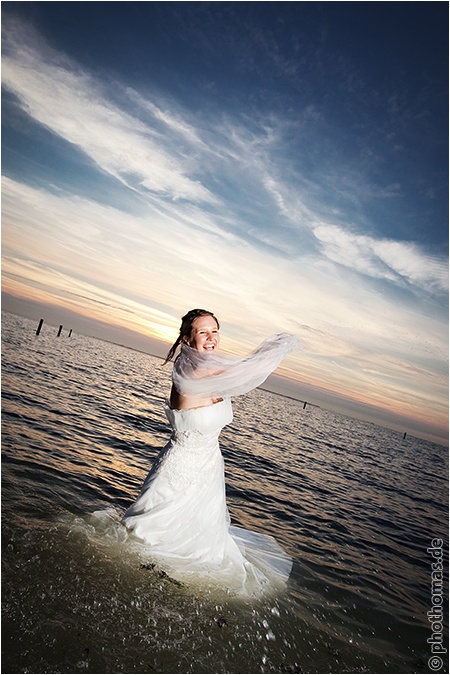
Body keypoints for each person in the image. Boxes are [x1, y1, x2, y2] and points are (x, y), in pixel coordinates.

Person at [123, 309, 299, 596]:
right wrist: (279, 345)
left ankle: (160, 578)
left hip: (209, 466)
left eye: (215, 331)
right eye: (203, 332)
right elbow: (250, 369)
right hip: (181, 467)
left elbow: (242, 372)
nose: (211, 338)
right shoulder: (195, 370)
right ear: (188, 338)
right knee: (149, 532)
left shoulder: (207, 368)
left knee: (200, 539)